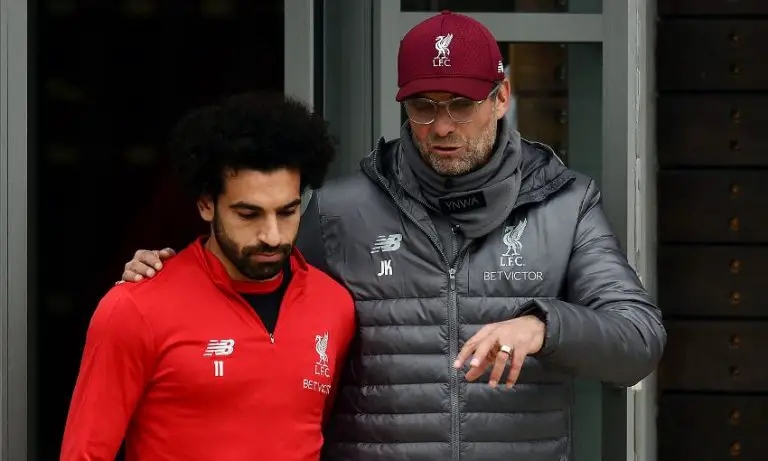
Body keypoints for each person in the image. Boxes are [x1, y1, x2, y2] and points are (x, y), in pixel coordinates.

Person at [119, 11, 666, 461]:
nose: (443, 127)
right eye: (424, 107)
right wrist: (167, 279)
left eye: (461, 105)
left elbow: (638, 342)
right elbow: (248, 308)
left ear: (501, 98)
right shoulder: (340, 209)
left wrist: (543, 325)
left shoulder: (565, 203)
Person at [60, 92, 356, 461]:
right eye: (248, 214)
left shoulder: (335, 306)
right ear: (205, 204)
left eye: (287, 212)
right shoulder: (135, 308)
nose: (272, 235)